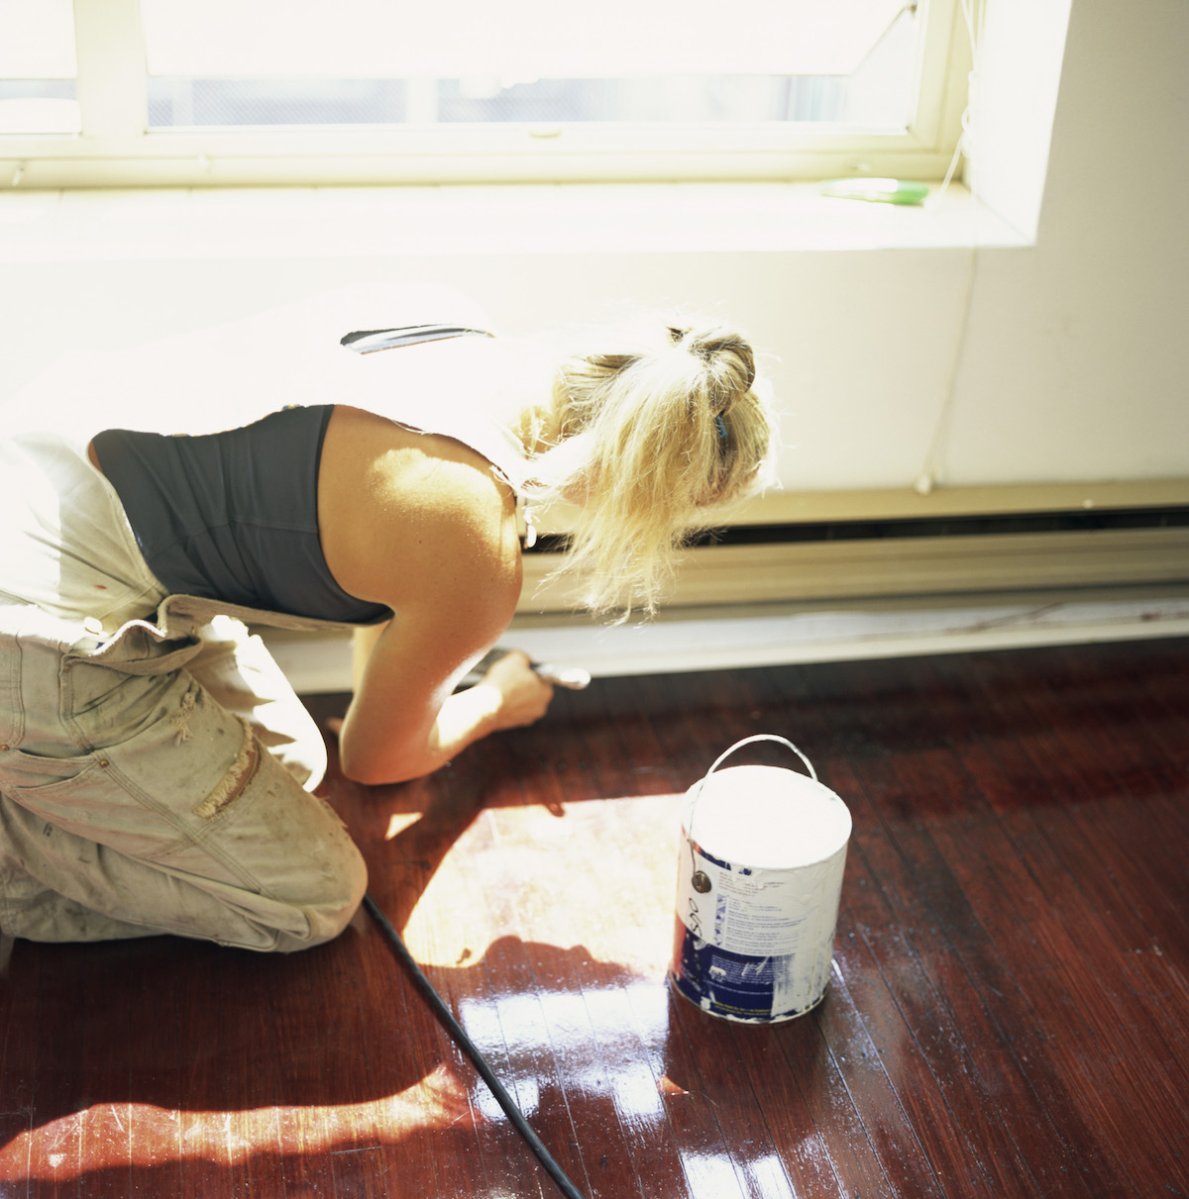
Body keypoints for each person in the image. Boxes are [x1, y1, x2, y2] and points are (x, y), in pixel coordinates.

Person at [0, 304, 773, 953]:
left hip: (45, 477)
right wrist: (497, 701)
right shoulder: (470, 535)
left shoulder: (452, 333)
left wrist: (433, 637)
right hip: (40, 628)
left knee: (293, 766)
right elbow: (376, 760)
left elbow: (370, 576)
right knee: (312, 897)